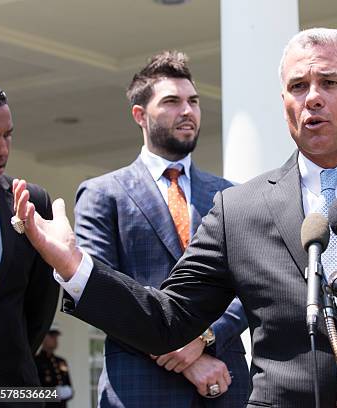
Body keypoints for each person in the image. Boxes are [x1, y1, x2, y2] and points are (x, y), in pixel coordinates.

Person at [13, 28, 337, 408]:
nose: (312, 97)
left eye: (330, 83)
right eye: (298, 86)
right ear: (284, 101)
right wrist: (75, 265)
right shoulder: (238, 210)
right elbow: (168, 319)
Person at [73, 51, 249, 407]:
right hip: (140, 388)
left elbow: (253, 282)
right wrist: (185, 356)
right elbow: (100, 292)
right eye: (172, 102)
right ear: (140, 115)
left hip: (225, 384)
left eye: (193, 101)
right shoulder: (102, 194)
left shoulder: (230, 195)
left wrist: (205, 338)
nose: (187, 111)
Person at [0, 80, 58, 396]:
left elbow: (41, 307)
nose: (1, 149)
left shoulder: (32, 202)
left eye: (7, 136)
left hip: (13, 392)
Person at [34, 326, 73, 408]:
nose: (55, 339)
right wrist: (53, 393)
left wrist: (68, 392)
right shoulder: (35, 361)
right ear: (43, 337)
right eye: (52, 336)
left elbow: (69, 386)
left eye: (56, 336)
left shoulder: (61, 361)